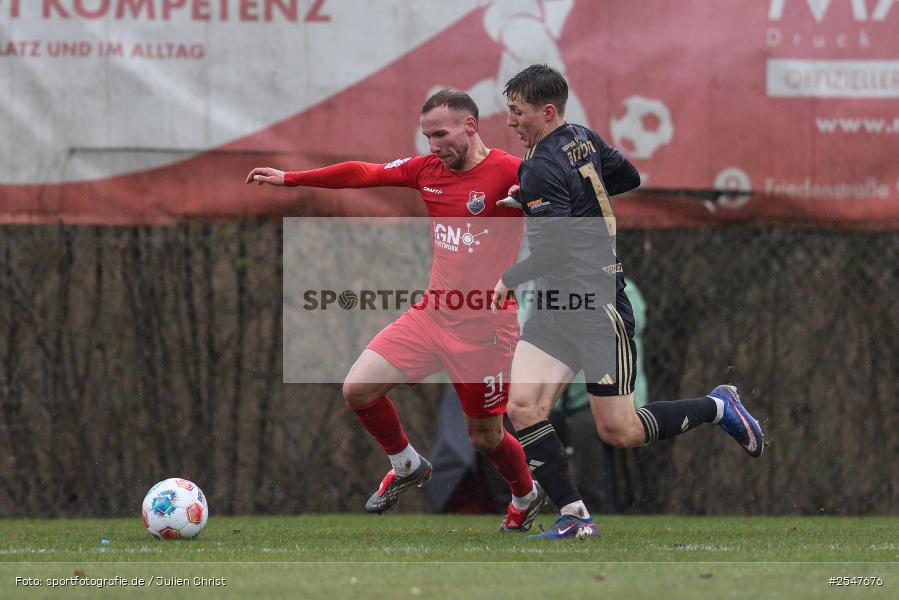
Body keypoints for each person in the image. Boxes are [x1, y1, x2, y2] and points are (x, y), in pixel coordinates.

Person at [246, 89, 547, 531]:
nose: (433, 146)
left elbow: (563, 212)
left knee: (485, 438)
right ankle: (406, 464)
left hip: (486, 332)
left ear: (471, 125)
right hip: (432, 316)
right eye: (427, 136)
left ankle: (525, 495)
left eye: (441, 134)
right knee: (357, 390)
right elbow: (362, 173)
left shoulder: (511, 172)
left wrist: (535, 206)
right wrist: (291, 179)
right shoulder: (425, 170)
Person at [491, 65, 764, 540]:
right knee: (523, 406)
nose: (510, 121)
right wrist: (555, 200)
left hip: (597, 306)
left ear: (547, 111)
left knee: (619, 431)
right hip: (558, 303)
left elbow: (554, 248)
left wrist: (510, 277)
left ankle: (718, 407)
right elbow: (628, 175)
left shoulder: (538, 165)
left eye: (517, 112)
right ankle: (575, 515)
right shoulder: (582, 137)